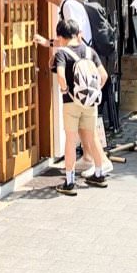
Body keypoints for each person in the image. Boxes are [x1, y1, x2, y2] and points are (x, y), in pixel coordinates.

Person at [34, 0, 115, 176]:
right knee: (83, 119)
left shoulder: (68, 6)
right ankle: (88, 158)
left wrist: (56, 51)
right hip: (84, 68)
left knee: (85, 121)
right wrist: (49, 44)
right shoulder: (68, 6)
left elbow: (75, 40)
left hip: (81, 71)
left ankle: (102, 161)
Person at [50, 18, 110, 195]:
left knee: (70, 139)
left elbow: (61, 76)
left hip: (71, 103)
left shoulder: (62, 53)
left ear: (61, 36)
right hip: (90, 103)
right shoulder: (90, 51)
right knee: (92, 138)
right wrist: (94, 92)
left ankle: (69, 182)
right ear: (77, 34)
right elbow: (104, 75)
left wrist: (65, 90)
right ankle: (99, 174)